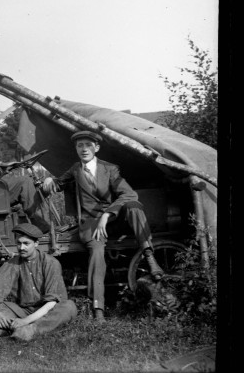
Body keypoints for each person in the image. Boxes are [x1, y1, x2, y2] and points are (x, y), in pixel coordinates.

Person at [41, 130, 164, 322]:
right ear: (76, 149)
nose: (84, 149)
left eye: (88, 145)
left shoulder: (110, 169)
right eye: (80, 145)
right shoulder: (75, 169)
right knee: (97, 254)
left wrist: (107, 214)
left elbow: (129, 194)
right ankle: (98, 310)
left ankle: (149, 256)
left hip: (113, 219)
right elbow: (57, 184)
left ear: (96, 148)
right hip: (91, 223)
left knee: (133, 206)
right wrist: (49, 180)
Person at [0, 223, 77, 341]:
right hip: (22, 311)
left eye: (26, 243)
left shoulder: (51, 263)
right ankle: (13, 328)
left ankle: (29, 330)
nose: (21, 248)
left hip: (47, 311)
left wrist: (25, 321)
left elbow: (51, 303)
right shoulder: (13, 263)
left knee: (69, 307)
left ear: (36, 244)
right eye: (19, 243)